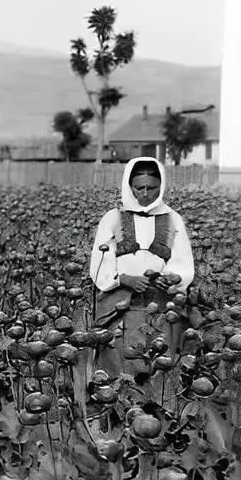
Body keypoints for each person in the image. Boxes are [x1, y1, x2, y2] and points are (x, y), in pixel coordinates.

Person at [89, 156, 195, 380]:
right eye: (139, 188)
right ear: (130, 187)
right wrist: (124, 279)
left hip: (159, 296)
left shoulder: (172, 219)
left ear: (161, 186)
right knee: (118, 353)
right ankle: (118, 394)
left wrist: (173, 277)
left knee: (159, 353)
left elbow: (182, 258)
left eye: (151, 188)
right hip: (120, 298)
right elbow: (100, 261)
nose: (145, 194)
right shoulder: (113, 218)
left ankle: (157, 399)